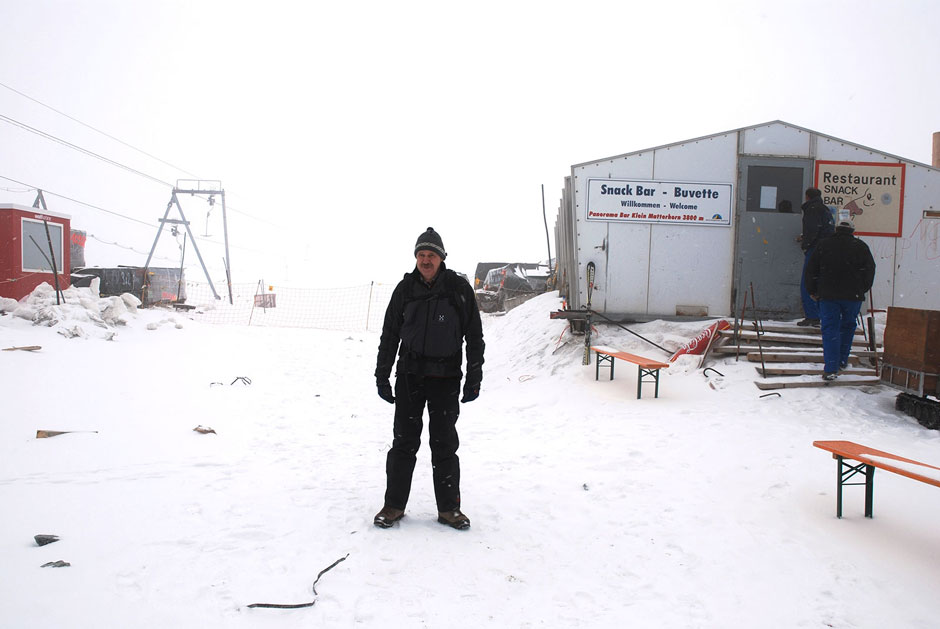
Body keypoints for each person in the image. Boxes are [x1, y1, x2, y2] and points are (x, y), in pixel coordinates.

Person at [373, 227, 485, 530]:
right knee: (403, 443)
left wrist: (474, 376)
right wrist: (382, 375)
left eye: (431, 255)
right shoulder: (405, 289)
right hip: (410, 376)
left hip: (446, 378)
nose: (426, 259)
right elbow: (389, 335)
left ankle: (449, 509)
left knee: (444, 444)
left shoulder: (458, 289)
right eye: (421, 255)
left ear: (441, 258)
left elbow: (474, 336)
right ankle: (393, 505)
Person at [804, 219, 876, 380]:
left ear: (836, 229)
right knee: (848, 326)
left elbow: (811, 270)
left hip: (828, 296)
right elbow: (870, 271)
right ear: (852, 231)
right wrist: (860, 289)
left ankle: (831, 368)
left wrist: (812, 290)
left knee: (830, 329)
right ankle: (842, 360)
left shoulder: (824, 245)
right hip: (852, 296)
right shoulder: (861, 247)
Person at [796, 187, 835, 326]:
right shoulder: (824, 209)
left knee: (808, 281)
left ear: (807, 197)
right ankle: (820, 313)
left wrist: (806, 243)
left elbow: (813, 230)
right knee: (819, 282)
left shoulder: (812, 209)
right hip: (826, 249)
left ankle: (812, 315)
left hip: (815, 249)